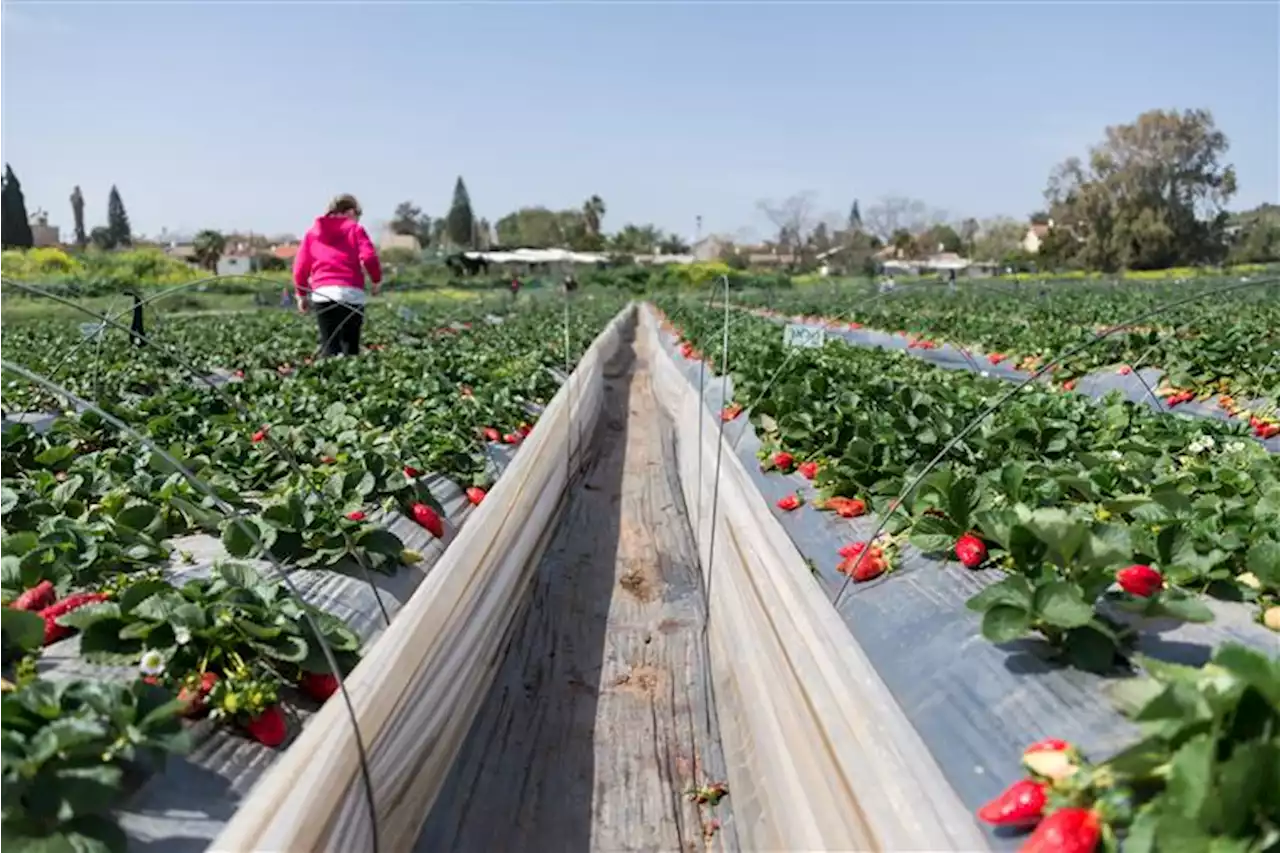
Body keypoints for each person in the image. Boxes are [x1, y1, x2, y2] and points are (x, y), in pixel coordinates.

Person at [292, 194, 382, 356]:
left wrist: (301, 295)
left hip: (323, 294)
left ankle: (330, 378)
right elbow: (369, 257)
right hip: (352, 294)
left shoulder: (312, 233)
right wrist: (376, 281)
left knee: (329, 345)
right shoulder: (356, 230)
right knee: (350, 345)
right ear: (351, 212)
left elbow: (300, 268)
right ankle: (352, 377)